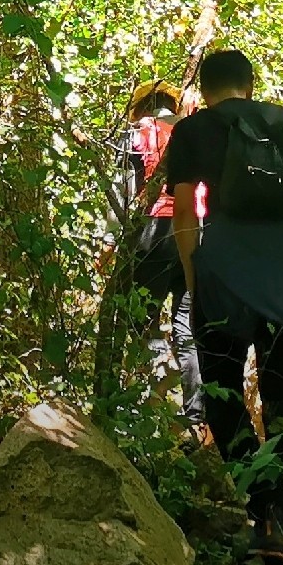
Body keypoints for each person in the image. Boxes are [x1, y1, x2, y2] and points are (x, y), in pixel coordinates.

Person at [162, 47, 283, 562]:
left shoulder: (194, 130)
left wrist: (193, 274)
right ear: (250, 85)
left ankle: (261, 509)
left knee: (223, 397)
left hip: (225, 277)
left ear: (203, 91)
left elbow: (184, 210)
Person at [116, 78, 204, 431]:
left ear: (143, 107)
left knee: (143, 319)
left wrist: (112, 242)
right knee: (188, 327)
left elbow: (124, 193)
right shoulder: (195, 132)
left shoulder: (138, 134)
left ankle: (147, 408)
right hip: (197, 230)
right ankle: (196, 415)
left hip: (153, 232)